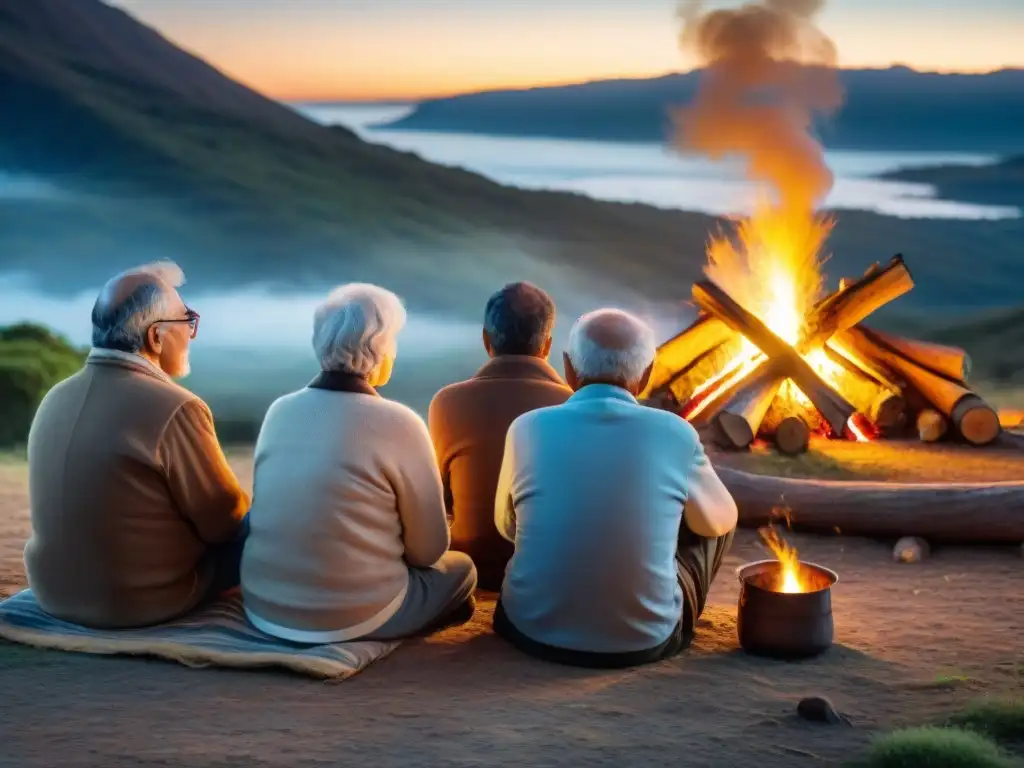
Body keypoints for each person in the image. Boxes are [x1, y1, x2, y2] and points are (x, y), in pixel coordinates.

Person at [492, 308, 738, 668]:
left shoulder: (526, 428)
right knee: (713, 517)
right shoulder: (677, 433)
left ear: (568, 368)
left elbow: (506, 527)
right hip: (644, 642)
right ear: (647, 374)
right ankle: (647, 599)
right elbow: (720, 522)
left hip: (528, 631)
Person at [241, 283, 477, 643]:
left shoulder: (279, 411)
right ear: (380, 350)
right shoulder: (401, 422)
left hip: (263, 607)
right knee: (463, 569)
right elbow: (429, 550)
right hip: (355, 616)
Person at [24, 261, 250, 629]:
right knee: (270, 518)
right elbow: (225, 523)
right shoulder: (177, 407)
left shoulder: (55, 395)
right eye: (187, 320)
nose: (191, 334)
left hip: (52, 593)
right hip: (138, 603)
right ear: (156, 337)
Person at [429, 282, 572, 590]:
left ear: (486, 339)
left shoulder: (446, 402)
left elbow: (442, 498)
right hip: (545, 569)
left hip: (471, 567)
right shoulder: (572, 404)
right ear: (547, 345)